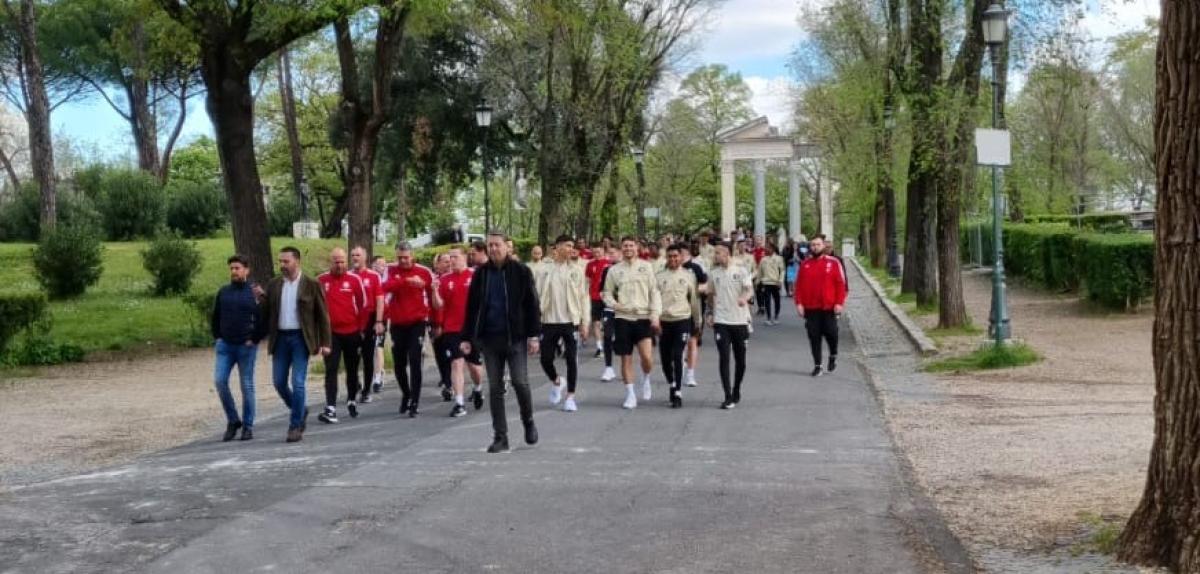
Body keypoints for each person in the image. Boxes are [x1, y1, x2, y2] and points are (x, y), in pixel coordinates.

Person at [461, 231, 541, 454]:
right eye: (490, 246)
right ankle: (500, 436)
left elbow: (532, 305)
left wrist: (534, 335)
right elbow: (472, 307)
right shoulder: (481, 274)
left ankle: (528, 421)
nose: (493, 249)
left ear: (507, 247)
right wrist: (467, 337)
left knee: (520, 382)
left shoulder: (521, 272)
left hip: (514, 337)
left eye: (497, 245)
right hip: (490, 338)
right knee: (495, 388)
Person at [263, 246, 332, 443]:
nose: (282, 265)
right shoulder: (274, 284)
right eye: (280, 262)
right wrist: (261, 299)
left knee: (298, 382)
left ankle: (295, 425)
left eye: (286, 261)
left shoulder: (311, 284)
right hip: (281, 338)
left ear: (297, 262)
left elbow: (323, 315)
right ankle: (300, 408)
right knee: (278, 382)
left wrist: (325, 342)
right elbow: (267, 311)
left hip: (301, 338)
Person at [210, 255, 267, 441]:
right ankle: (233, 420)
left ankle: (248, 425)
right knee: (220, 381)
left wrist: (255, 338)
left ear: (246, 270)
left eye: (237, 268)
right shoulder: (224, 292)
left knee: (246, 385)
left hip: (246, 346)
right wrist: (217, 337)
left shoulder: (254, 293)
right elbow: (215, 316)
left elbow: (264, 318)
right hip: (225, 345)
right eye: (232, 268)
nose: (234, 271)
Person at [602, 236, 662, 410]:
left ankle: (646, 377)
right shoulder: (614, 270)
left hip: (643, 317)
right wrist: (614, 304)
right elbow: (606, 292)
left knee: (647, 357)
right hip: (623, 318)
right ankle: (630, 394)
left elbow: (654, 292)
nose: (628, 248)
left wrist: (655, 315)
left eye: (631, 245)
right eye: (625, 246)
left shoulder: (647, 267)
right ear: (621, 249)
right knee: (625, 359)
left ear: (637, 248)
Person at [382, 242, 440, 417]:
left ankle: (415, 400)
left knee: (415, 359)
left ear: (412, 256)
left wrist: (436, 323)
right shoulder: (391, 270)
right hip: (398, 322)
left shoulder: (423, 271)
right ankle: (406, 393)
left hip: (418, 321)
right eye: (400, 258)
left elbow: (433, 296)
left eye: (406, 257)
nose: (403, 261)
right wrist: (405, 281)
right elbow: (384, 287)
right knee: (399, 363)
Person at [539, 235, 590, 412]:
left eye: (572, 246)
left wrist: (584, 322)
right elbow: (536, 294)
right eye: (567, 245)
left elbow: (584, 298)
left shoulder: (576, 270)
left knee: (571, 359)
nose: (571, 249)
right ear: (558, 247)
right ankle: (557, 381)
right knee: (545, 359)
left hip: (570, 321)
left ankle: (570, 396)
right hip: (549, 321)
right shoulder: (545, 269)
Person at [433, 246, 485, 417]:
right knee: (456, 363)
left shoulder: (475, 275)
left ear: (464, 257)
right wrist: (434, 291)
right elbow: (438, 304)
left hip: (472, 329)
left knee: (474, 368)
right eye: (450, 258)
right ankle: (459, 403)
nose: (452, 261)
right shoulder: (445, 279)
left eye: (455, 257)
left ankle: (478, 388)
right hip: (452, 329)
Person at [707, 243, 753, 409]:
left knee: (740, 360)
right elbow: (710, 295)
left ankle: (736, 389)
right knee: (724, 358)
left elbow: (749, 290)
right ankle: (727, 395)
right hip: (722, 321)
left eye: (718, 253)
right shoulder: (713, 273)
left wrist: (744, 298)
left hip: (740, 321)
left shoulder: (741, 270)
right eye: (714, 254)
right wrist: (710, 313)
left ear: (727, 254)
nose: (715, 256)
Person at [794, 234, 847, 376]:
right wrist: (799, 303)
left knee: (832, 333)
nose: (815, 247)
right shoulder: (805, 264)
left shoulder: (834, 262)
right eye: (813, 245)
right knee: (814, 336)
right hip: (811, 308)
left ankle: (833, 355)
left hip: (829, 307)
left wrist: (839, 303)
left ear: (824, 246)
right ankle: (818, 365)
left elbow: (841, 285)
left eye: (818, 244)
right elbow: (798, 286)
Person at [657, 244, 702, 408]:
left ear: (681, 258)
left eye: (676, 256)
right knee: (665, 359)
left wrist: (698, 322)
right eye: (670, 256)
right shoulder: (659, 276)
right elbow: (653, 300)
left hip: (682, 319)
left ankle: (677, 391)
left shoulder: (689, 276)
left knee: (677, 355)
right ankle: (671, 382)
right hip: (664, 321)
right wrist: (653, 320)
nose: (673, 259)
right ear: (667, 258)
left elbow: (694, 301)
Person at [348, 247, 386, 407]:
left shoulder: (373, 276)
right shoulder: (348, 276)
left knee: (368, 356)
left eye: (358, 255)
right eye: (353, 255)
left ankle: (366, 391)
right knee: (351, 357)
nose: (355, 257)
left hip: (369, 320)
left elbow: (379, 299)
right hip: (352, 320)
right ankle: (354, 384)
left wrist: (378, 321)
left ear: (365, 257)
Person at [680, 243, 708, 387]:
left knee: (692, 341)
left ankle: (690, 374)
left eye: (684, 253)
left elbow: (704, 283)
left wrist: (698, 291)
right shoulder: (670, 268)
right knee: (678, 344)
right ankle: (679, 367)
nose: (681, 256)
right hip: (675, 311)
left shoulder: (695, 268)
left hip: (693, 308)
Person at [432, 253, 454, 400]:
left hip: (452, 324)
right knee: (440, 355)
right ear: (437, 264)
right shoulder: (435, 281)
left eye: (450, 261)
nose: (448, 264)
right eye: (445, 262)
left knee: (453, 356)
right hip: (436, 323)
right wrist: (435, 324)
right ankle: (447, 382)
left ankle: (451, 382)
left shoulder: (453, 279)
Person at [585, 242, 613, 359]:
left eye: (599, 252)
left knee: (608, 323)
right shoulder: (590, 265)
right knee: (596, 322)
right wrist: (585, 294)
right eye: (594, 252)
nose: (596, 254)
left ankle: (610, 343)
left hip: (607, 297)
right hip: (594, 297)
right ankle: (599, 347)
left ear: (603, 251)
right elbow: (587, 281)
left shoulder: (609, 264)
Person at [368, 255, 390, 395]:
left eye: (383, 265)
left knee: (378, 346)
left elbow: (388, 300)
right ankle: (376, 371)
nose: (381, 268)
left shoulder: (387, 282)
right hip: (366, 317)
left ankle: (377, 378)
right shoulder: (368, 279)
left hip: (381, 317)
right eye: (378, 264)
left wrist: (380, 318)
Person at [757, 243, 785, 325]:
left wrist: (780, 281)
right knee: (767, 300)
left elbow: (782, 271)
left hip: (775, 282)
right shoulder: (763, 259)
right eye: (766, 248)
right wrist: (758, 282)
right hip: (766, 282)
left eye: (768, 248)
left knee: (777, 300)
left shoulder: (779, 258)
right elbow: (760, 272)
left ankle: (776, 316)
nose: (766, 249)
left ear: (773, 249)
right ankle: (768, 318)